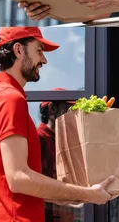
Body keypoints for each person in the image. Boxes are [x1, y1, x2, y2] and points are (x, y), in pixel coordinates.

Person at [0, 27, 114, 222]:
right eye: (39, 51)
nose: (44, 60)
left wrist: (65, 196)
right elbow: (18, 178)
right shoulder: (10, 99)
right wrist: (88, 194)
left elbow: (9, 180)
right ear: (18, 50)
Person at [38, 88, 80, 222]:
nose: (73, 115)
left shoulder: (67, 141)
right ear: (52, 109)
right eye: (68, 110)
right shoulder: (38, 139)